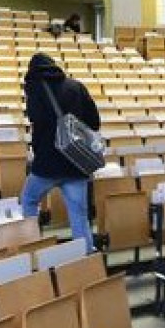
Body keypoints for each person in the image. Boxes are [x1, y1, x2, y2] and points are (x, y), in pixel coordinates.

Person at [20, 52, 101, 252]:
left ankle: (33, 248)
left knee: (29, 200)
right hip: (76, 162)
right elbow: (94, 122)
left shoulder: (35, 89)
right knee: (79, 215)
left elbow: (36, 122)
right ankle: (85, 256)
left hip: (46, 164)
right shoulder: (76, 86)